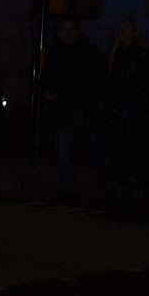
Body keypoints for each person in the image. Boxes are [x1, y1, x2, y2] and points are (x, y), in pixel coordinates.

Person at [43, 17, 105, 201]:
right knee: (63, 151)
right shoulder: (54, 52)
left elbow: (99, 79)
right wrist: (47, 91)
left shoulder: (88, 52)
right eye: (64, 30)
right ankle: (68, 188)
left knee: (93, 151)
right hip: (63, 110)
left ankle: (105, 185)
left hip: (85, 110)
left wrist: (96, 102)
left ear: (77, 31)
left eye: (71, 30)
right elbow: (47, 77)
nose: (68, 34)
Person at [102, 16, 149, 205]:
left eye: (126, 28)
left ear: (135, 32)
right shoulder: (117, 53)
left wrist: (135, 94)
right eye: (120, 28)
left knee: (132, 152)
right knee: (119, 152)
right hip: (119, 112)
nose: (122, 31)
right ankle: (124, 189)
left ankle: (137, 189)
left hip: (134, 112)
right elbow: (111, 82)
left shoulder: (141, 55)